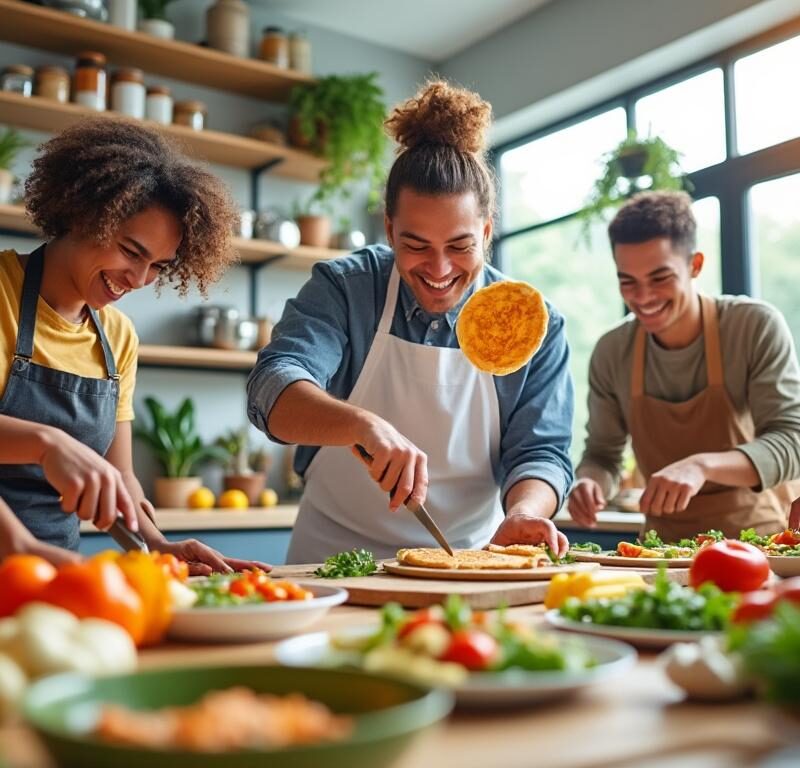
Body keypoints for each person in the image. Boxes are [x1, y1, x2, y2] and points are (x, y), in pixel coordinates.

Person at [247, 81, 574, 563]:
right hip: (333, 559)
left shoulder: (531, 326)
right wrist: (360, 425)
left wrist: (524, 510)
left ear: (486, 231)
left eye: (460, 246)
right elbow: (271, 388)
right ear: (390, 229)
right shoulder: (347, 288)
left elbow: (540, 451)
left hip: (466, 558)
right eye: (416, 245)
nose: (439, 270)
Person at [0, 118, 269, 573]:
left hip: (53, 574)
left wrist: (157, 545)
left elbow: (119, 474)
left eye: (159, 267)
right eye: (131, 251)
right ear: (83, 213)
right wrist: (46, 443)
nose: (139, 280)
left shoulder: (118, 337)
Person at [568, 190, 800, 540]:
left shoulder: (753, 325)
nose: (642, 298)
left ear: (695, 265)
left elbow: (792, 440)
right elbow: (602, 454)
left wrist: (701, 466)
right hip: (661, 554)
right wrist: (588, 482)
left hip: (757, 545)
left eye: (660, 278)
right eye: (627, 282)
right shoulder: (611, 351)